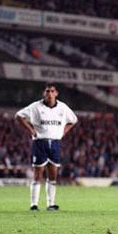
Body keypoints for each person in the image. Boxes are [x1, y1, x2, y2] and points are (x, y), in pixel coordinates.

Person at [15, 83, 77, 211]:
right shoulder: (36, 106)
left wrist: (65, 130)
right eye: (47, 91)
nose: (49, 93)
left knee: (53, 175)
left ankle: (51, 204)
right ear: (44, 93)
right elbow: (18, 116)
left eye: (52, 91)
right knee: (38, 174)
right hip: (40, 142)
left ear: (56, 93)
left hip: (55, 143)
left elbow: (74, 120)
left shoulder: (63, 107)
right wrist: (30, 129)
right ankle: (34, 204)